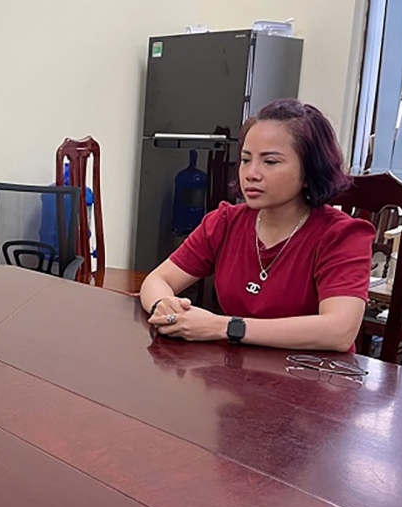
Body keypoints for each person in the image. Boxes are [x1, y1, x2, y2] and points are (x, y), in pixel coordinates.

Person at [139, 99, 375, 352]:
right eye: (245, 159)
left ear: (309, 171)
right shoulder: (225, 222)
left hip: (308, 372)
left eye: (270, 162)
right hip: (235, 367)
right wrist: (164, 306)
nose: (251, 173)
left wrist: (224, 327)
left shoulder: (342, 235)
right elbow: (157, 279)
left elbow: (339, 331)